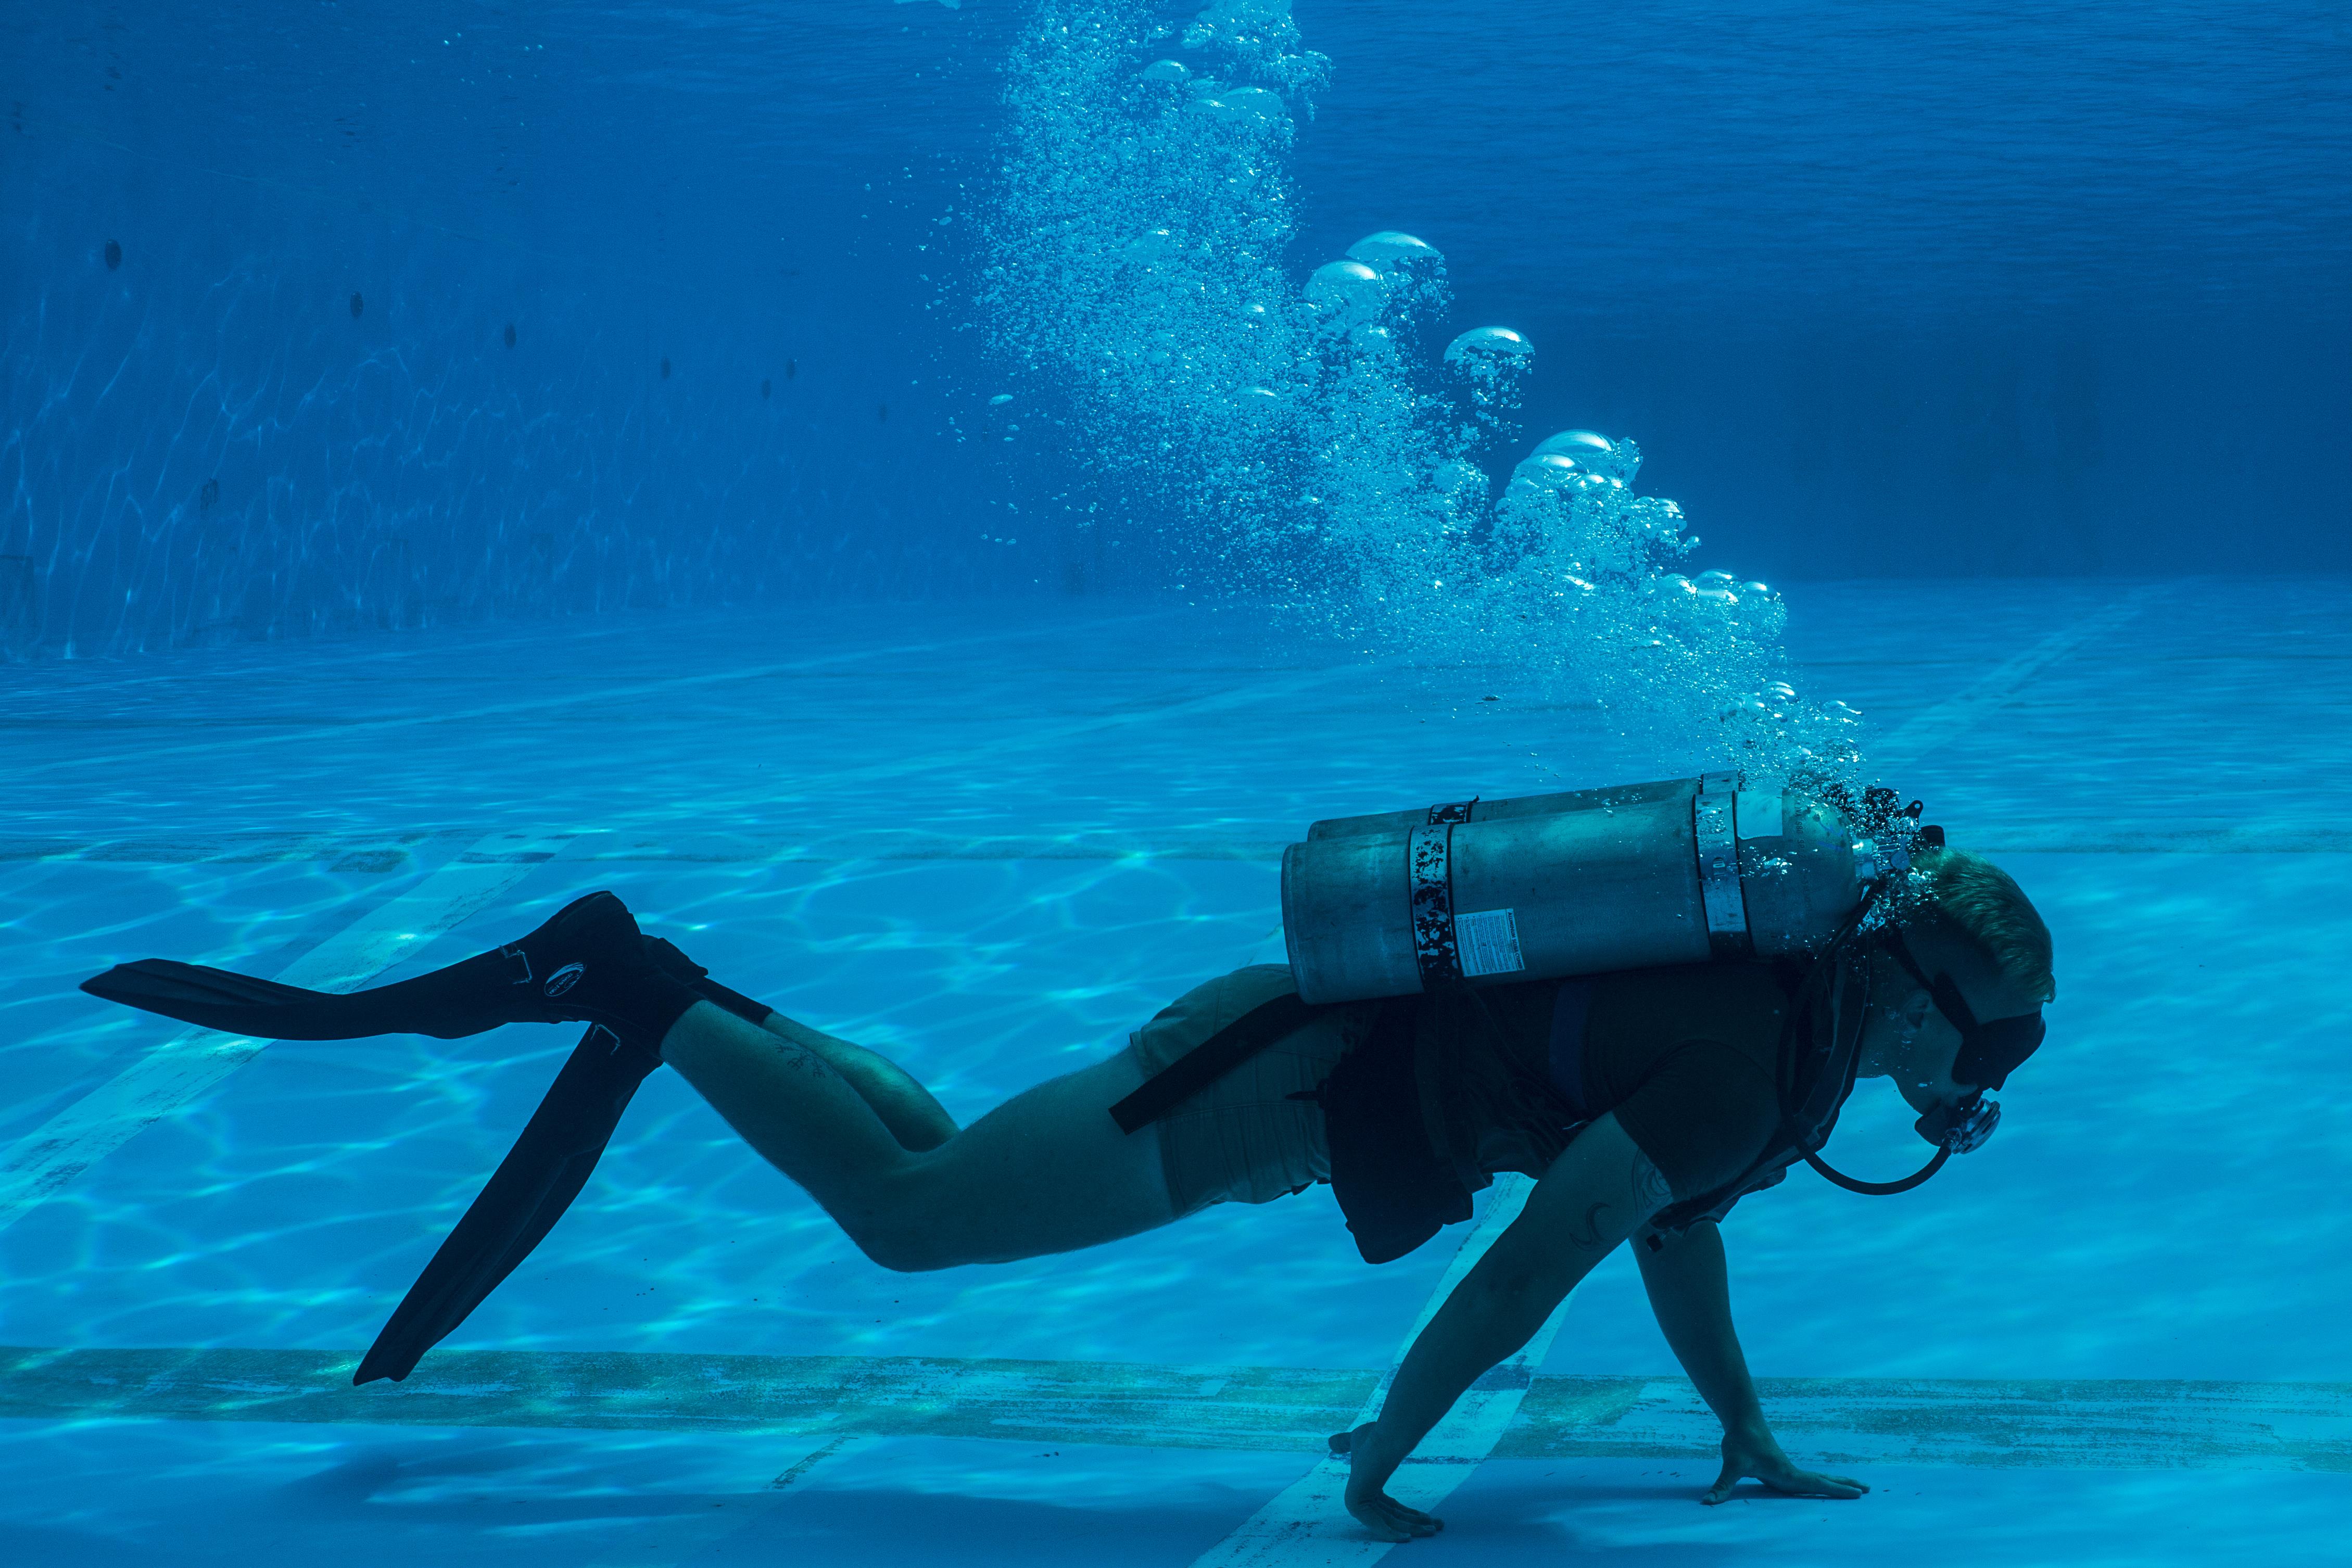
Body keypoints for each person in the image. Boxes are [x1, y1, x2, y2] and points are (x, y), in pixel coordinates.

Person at [82, 840, 2053, 1544]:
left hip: (1290, 1061)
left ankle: (677, 997)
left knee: (932, 1166)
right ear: (1925, 997)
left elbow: (1675, 1224)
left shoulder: (1778, 1047)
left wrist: (1747, 1429)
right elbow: (1549, 1257)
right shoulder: (1757, 1051)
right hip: (1273, 1075)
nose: (1990, 1084)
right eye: (2003, 1042)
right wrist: (1392, 1450)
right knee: (911, 1218)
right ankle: (631, 979)